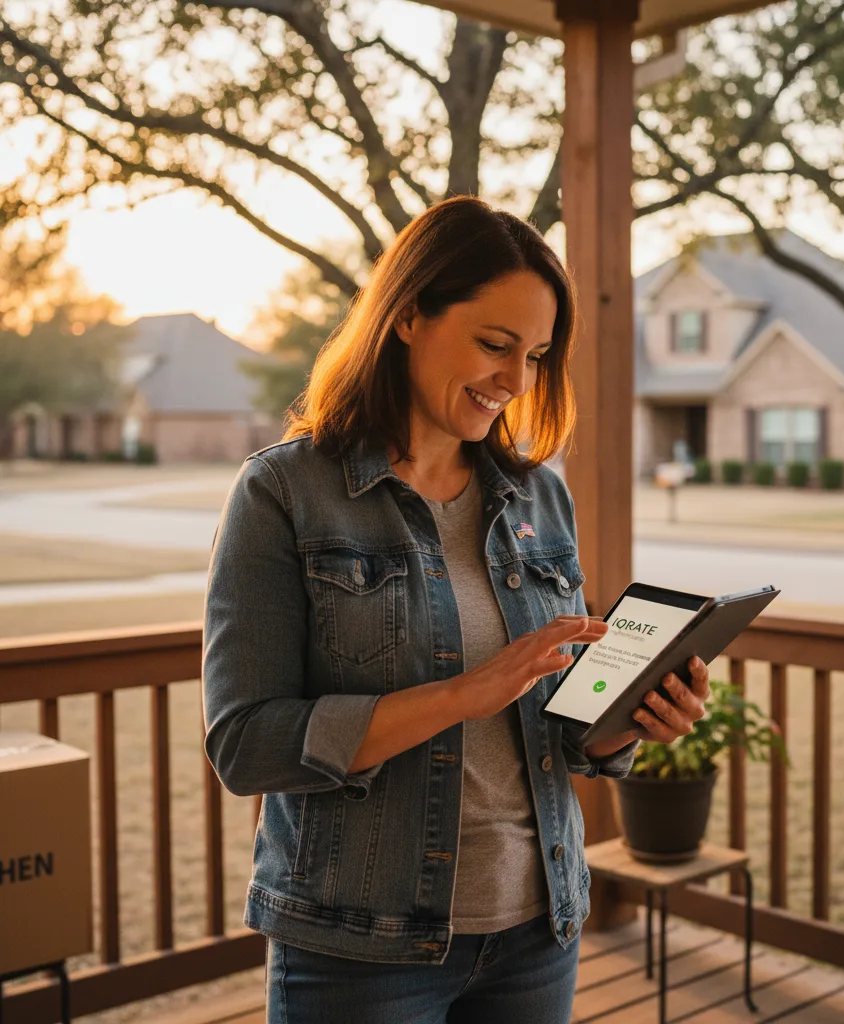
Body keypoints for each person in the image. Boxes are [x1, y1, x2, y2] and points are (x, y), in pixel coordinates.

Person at [202, 196, 711, 1023]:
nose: (515, 382)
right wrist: (462, 694)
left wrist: (629, 718)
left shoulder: (539, 496)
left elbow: (560, 735)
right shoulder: (284, 493)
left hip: (538, 933)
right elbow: (245, 744)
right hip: (360, 949)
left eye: (538, 356)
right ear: (408, 317)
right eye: (495, 344)